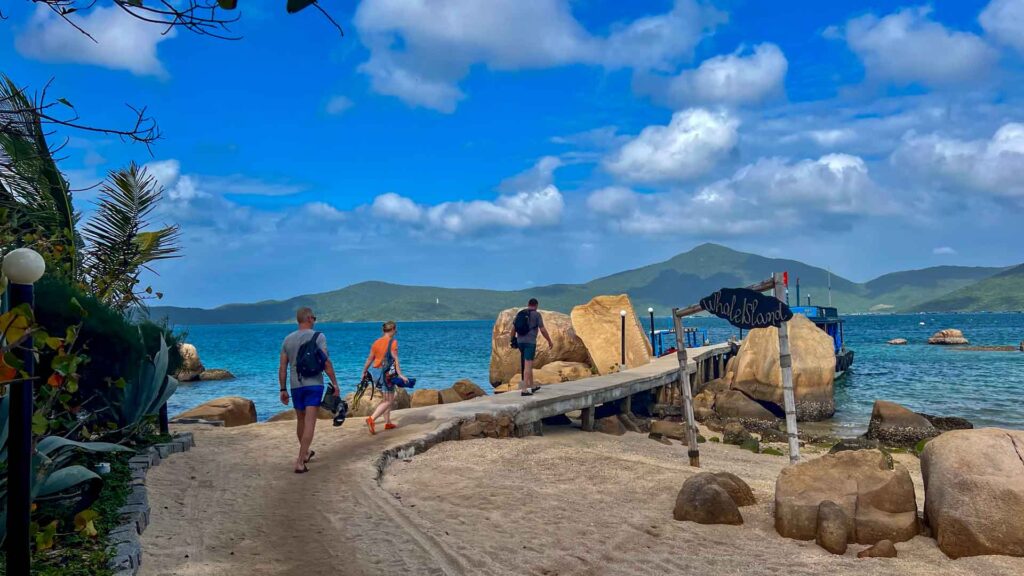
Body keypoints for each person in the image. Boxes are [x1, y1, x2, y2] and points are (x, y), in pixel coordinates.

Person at [279, 307, 339, 473]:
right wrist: (334, 383)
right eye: (314, 317)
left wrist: (282, 389)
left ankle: (305, 453)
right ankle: (300, 461)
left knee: (301, 420)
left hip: (295, 385)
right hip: (313, 384)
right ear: (309, 318)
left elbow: (282, 367)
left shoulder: (287, 339)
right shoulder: (318, 336)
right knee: (310, 422)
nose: (315, 320)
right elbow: (326, 363)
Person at [362, 320, 408, 435]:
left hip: (376, 373)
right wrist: (400, 374)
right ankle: (371, 419)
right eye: (395, 329)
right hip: (386, 373)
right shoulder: (393, 342)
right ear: (392, 330)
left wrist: (364, 371)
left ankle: (387, 422)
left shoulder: (376, 342)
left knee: (385, 398)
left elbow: (370, 359)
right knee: (389, 400)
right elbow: (395, 360)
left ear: (383, 330)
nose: (396, 331)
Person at [510, 298, 553, 396]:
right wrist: (549, 341)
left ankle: (532, 386)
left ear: (528, 304)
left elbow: (513, 329)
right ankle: (524, 390)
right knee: (528, 366)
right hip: (530, 343)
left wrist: (512, 340)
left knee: (528, 364)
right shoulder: (537, 315)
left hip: (520, 342)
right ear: (536, 305)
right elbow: (542, 329)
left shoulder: (520, 313)